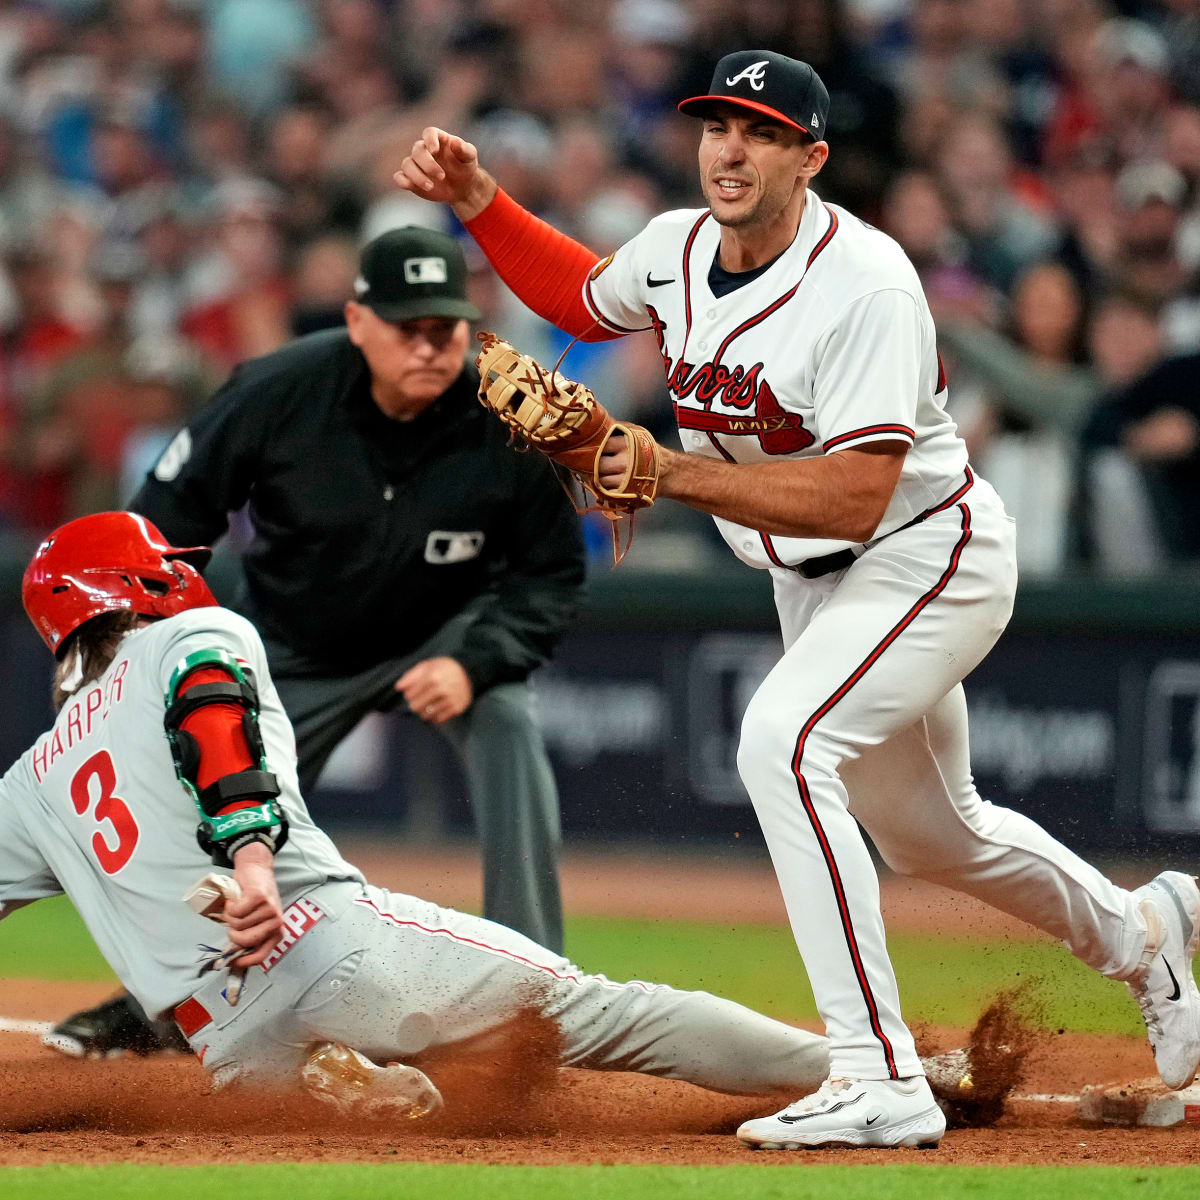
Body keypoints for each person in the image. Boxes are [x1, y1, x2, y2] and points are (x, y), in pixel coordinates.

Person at [393, 49, 1200, 1150]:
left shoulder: (865, 285)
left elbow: (862, 496)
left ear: (812, 157)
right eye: (718, 125)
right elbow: (578, 293)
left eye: (763, 132)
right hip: (813, 581)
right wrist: (481, 202)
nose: (731, 148)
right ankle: (1144, 932)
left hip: (925, 555)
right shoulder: (679, 248)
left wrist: (663, 469)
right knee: (932, 837)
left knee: (781, 740)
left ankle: (878, 1076)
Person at [4, 512, 976, 1127]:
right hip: (325, 946)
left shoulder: (35, 779)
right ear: (136, 587)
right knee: (612, 1015)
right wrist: (252, 860)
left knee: (377, 1066)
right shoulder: (194, 632)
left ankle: (336, 1083)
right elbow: (211, 715)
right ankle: (880, 1071)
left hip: (229, 1050)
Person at [46, 226, 585, 1059]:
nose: (428, 344)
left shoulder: (509, 413)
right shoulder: (278, 389)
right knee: (220, 794)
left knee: (509, 724)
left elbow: (548, 573)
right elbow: (165, 524)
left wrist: (475, 661)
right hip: (297, 641)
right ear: (357, 320)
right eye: (406, 325)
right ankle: (164, 1006)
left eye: (444, 326)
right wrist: (145, 645)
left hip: (448, 631)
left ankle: (539, 996)